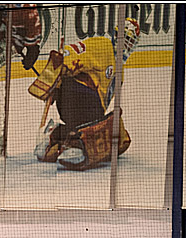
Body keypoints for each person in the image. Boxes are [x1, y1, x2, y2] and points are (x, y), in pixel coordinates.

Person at [28, 18, 139, 170]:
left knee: (92, 125)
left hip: (82, 105)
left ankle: (56, 135)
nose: (126, 45)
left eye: (130, 41)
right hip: (75, 94)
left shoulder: (120, 72)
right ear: (115, 35)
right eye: (124, 38)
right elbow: (71, 50)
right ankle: (76, 145)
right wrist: (61, 70)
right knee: (97, 126)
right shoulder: (103, 45)